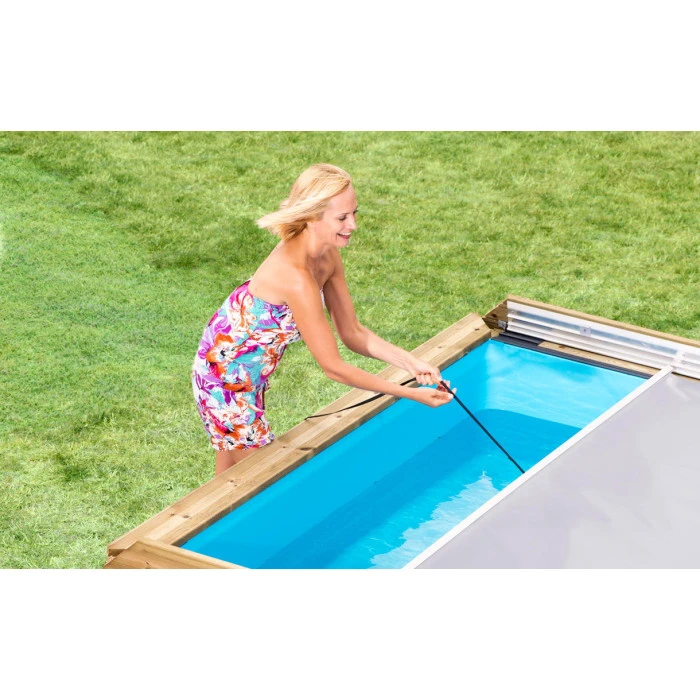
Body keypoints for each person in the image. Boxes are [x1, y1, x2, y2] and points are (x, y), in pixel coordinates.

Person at [192, 163, 454, 475]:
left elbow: (352, 332)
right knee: (266, 484)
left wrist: (411, 363)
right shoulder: (295, 277)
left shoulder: (327, 255)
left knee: (229, 487)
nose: (353, 224)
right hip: (222, 382)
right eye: (342, 218)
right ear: (312, 216)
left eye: (354, 213)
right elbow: (334, 368)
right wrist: (409, 393)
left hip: (248, 377)